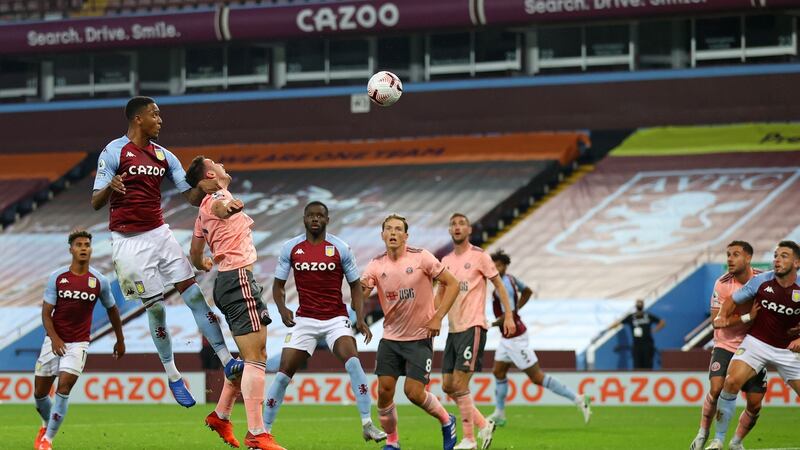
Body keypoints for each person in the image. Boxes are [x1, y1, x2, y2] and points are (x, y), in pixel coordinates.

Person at [91, 96, 240, 407]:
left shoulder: (164, 156)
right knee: (156, 308)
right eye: (155, 115)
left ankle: (227, 360)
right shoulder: (115, 151)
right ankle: (173, 376)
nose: (160, 120)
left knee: (195, 295)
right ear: (137, 119)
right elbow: (95, 201)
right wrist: (110, 186)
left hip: (160, 233)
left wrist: (205, 188)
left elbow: (188, 197)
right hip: (128, 242)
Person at [263, 201, 387, 444]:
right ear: (305, 219)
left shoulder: (340, 248)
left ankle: (367, 423)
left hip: (335, 319)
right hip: (305, 319)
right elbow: (277, 286)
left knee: (353, 362)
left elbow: (355, 286)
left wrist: (359, 318)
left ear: (327, 220)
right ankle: (263, 433)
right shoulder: (291, 248)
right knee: (282, 374)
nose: (315, 219)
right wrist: (281, 308)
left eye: (320, 216)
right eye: (311, 216)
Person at [186, 156, 284, 450]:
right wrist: (229, 207)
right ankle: (256, 433)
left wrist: (203, 263)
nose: (222, 165)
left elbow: (194, 252)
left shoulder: (201, 211)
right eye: (215, 164)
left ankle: (221, 415)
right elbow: (220, 207)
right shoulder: (216, 197)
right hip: (238, 280)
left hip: (228, 282)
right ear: (209, 175)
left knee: (248, 356)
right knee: (257, 356)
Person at [361, 214, 461, 450]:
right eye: (388, 229)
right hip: (391, 338)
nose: (393, 233)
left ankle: (447, 421)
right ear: (382, 235)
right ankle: (393, 442)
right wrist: (356, 302)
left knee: (414, 393)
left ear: (406, 236)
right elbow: (361, 293)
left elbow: (453, 283)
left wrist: (438, 317)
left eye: (398, 229)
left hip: (419, 337)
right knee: (384, 392)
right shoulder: (376, 264)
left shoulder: (422, 257)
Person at [33, 230, 125, 450]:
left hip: (79, 343)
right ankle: (45, 424)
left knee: (64, 387)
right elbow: (46, 313)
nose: (84, 248)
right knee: (40, 394)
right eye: (79, 245)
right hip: (53, 341)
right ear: (71, 250)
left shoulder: (99, 281)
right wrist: (54, 338)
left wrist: (120, 340)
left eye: (87, 245)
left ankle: (48, 440)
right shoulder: (58, 278)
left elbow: (112, 310)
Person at [706, 240, 800, 450]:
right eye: (776, 255)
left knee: (755, 404)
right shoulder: (761, 281)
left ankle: (736, 442)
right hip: (757, 343)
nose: (777, 260)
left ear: (797, 263)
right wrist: (722, 314)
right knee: (730, 382)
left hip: (787, 350)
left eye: (784, 256)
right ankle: (718, 440)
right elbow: (732, 300)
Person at [486, 250, 591, 428]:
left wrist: (489, 324)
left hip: (515, 337)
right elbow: (527, 291)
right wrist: (517, 309)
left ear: (505, 266)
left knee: (536, 377)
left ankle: (578, 399)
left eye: (499, 265)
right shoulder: (511, 279)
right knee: (498, 372)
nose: (496, 268)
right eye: (493, 265)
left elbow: (508, 314)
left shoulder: (505, 285)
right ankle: (500, 413)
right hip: (507, 337)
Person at [438, 213, 516, 450]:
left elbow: (499, 285)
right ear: (450, 230)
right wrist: (432, 317)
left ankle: (470, 439)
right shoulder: (446, 260)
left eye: (462, 223)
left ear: (469, 229)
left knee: (459, 385)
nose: (457, 227)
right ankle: (484, 424)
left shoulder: (480, 256)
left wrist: (508, 315)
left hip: (473, 327)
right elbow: (440, 294)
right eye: (453, 224)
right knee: (447, 386)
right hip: (453, 329)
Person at [689, 241, 766, 450]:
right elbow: (717, 321)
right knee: (716, 388)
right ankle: (703, 433)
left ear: (748, 258)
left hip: (753, 346)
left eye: (735, 254)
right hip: (726, 344)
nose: (730, 259)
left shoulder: (763, 280)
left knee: (755, 403)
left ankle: (736, 442)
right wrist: (747, 317)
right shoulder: (722, 283)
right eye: (728, 254)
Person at [608, 299, 666, 369]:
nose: (639, 306)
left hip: (648, 344)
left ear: (643, 306)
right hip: (637, 345)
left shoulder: (648, 316)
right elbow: (619, 322)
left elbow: (662, 322)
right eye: (638, 304)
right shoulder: (632, 317)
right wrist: (609, 327)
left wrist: (654, 330)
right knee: (637, 366)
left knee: (647, 365)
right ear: (636, 306)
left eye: (640, 304)